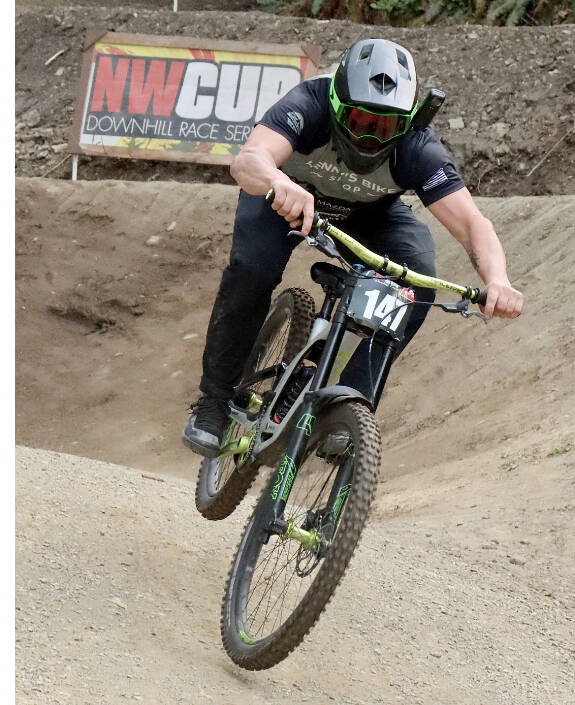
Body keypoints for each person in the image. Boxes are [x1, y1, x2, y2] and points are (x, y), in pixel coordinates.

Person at [182, 38, 524, 457]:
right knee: (252, 269)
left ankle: (346, 404)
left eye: (385, 127)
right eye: (360, 120)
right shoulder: (310, 103)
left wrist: (498, 279)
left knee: (416, 282)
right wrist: (280, 183)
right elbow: (248, 161)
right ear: (338, 103)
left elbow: (473, 223)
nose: (369, 136)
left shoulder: (418, 146)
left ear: (408, 122)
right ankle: (214, 402)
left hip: (369, 213)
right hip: (284, 197)